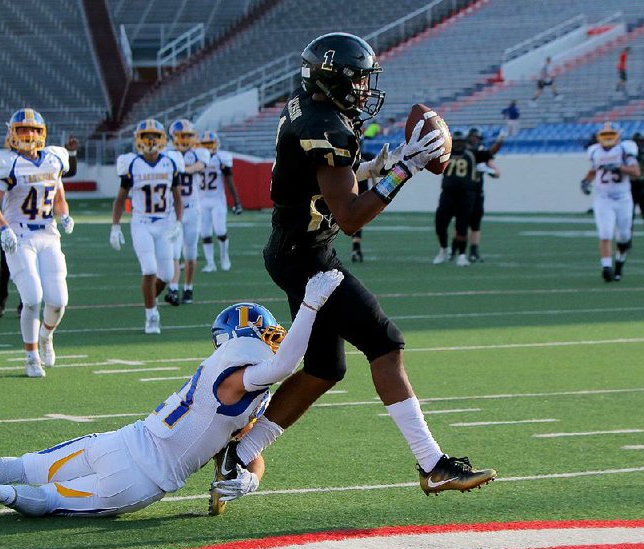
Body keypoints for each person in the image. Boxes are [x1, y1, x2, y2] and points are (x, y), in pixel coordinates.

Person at [213, 32, 496, 502]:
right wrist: (401, 171)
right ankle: (432, 464)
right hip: (308, 256)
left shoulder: (310, 107)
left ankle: (239, 455)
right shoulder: (326, 128)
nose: (365, 89)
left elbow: (314, 181)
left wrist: (366, 171)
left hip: (296, 247)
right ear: (334, 79)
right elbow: (348, 217)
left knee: (325, 368)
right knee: (385, 344)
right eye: (359, 80)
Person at [0, 270, 344, 517]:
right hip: (140, 481)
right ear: (249, 337)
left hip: (122, 441)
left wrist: (250, 476)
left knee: (27, 464)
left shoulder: (233, 378)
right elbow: (283, 368)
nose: (273, 340)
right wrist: (309, 306)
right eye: (266, 333)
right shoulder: (238, 377)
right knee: (48, 500)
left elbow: (244, 445)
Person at [0, 108, 75, 377]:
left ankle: (46, 336)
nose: (28, 135)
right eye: (22, 129)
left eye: (33, 130)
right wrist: (4, 228)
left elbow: (58, 196)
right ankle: (31, 355)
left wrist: (65, 214)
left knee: (58, 301)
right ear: (12, 133)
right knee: (32, 298)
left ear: (42, 133)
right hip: (20, 236)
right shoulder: (8, 163)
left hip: (48, 233)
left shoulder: (54, 159)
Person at [0, 135, 78, 318]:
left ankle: (23, 302)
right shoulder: (8, 163)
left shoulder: (48, 160)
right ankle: (2, 295)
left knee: (35, 271)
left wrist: (71, 152)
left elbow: (69, 172)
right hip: (14, 226)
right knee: (5, 266)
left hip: (43, 227)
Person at [110, 119, 183, 334]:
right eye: (145, 136)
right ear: (138, 140)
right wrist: (115, 226)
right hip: (141, 222)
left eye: (155, 136)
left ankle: (149, 299)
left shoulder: (170, 163)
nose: (150, 141)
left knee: (168, 274)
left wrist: (178, 222)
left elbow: (178, 197)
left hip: (165, 222)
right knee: (150, 269)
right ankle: (151, 315)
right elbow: (120, 199)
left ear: (162, 140)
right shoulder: (132, 163)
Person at [580, 122, 640, 282]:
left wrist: (620, 168)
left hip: (623, 199)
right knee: (605, 232)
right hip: (603, 198)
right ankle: (606, 267)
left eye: (610, 135)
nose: (607, 138)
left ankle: (619, 264)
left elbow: (636, 172)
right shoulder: (595, 151)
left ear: (617, 135)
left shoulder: (624, 149)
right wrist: (585, 181)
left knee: (624, 236)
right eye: (604, 135)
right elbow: (594, 169)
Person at [164, 119, 210, 305]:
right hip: (173, 211)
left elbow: (199, 166)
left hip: (192, 210)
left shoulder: (200, 152)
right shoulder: (166, 153)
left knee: (190, 254)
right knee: (174, 252)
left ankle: (188, 288)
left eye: (188, 135)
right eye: (181, 135)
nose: (184, 139)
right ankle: (173, 289)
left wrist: (182, 168)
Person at [198, 130, 243, 279]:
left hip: (217, 200)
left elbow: (230, 182)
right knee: (205, 233)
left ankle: (224, 258)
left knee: (220, 231)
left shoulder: (221, 158)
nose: (208, 147)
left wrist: (237, 202)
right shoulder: (197, 158)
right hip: (201, 200)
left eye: (210, 144)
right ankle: (210, 263)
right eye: (205, 144)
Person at [433, 130, 475, 266]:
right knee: (440, 224)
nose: (458, 145)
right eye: (455, 142)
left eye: (460, 142)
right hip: (447, 195)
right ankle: (444, 249)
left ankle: (462, 255)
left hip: (465, 196)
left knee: (462, 226)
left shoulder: (469, 155)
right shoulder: (445, 155)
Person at [464, 127, 502, 263]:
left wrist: (488, 170)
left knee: (475, 223)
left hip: (477, 191)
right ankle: (457, 250)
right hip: (463, 191)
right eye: (472, 137)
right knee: (461, 222)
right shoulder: (463, 151)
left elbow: (496, 171)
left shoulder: (481, 151)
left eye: (476, 137)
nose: (474, 139)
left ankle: (474, 251)